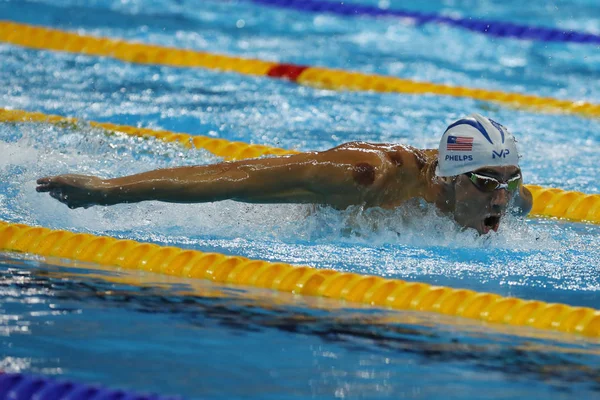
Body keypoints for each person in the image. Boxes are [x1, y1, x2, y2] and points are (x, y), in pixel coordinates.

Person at [36, 113, 532, 235]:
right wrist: (108, 192)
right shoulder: (367, 177)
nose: (502, 201)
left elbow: (521, 200)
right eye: (488, 184)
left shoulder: (503, 193)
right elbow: (235, 176)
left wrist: (511, 191)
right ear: (449, 176)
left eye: (509, 182)